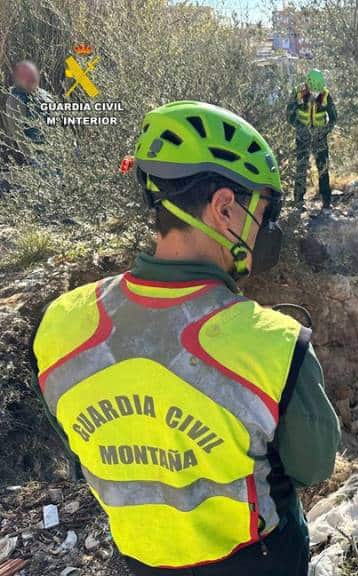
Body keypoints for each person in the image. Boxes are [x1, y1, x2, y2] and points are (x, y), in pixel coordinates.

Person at [30, 101, 340, 575]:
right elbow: (314, 468)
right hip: (257, 561)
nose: (267, 229)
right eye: (265, 210)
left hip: (140, 559)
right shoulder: (276, 345)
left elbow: (79, 449)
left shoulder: (60, 325)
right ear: (224, 208)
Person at [286, 68, 337, 210]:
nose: (315, 93)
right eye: (313, 89)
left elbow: (333, 118)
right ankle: (298, 200)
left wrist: (324, 131)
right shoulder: (298, 92)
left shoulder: (325, 94)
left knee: (323, 168)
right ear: (307, 84)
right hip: (303, 136)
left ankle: (326, 201)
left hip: (320, 137)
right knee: (301, 167)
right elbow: (289, 114)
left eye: (317, 90)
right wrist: (300, 128)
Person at [4, 60, 54, 162]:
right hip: (41, 157)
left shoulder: (44, 94)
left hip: (59, 150)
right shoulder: (16, 99)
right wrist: (33, 159)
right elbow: (18, 135)